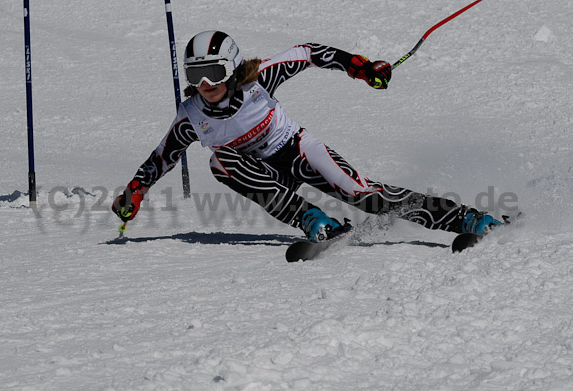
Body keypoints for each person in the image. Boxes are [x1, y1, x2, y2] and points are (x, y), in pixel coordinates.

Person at [112, 30, 502, 242]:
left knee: (366, 198)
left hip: (297, 149)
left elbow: (310, 51)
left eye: (213, 72)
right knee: (220, 161)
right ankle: (312, 219)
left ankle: (465, 218)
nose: (206, 84)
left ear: (231, 68)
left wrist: (360, 68)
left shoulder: (260, 76)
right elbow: (161, 157)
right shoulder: (192, 115)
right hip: (262, 173)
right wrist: (135, 190)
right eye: (196, 76)